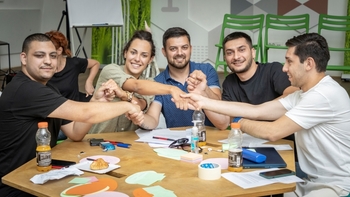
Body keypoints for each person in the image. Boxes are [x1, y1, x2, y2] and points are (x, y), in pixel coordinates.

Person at [182, 33, 350, 197]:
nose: (284, 68)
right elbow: (257, 111)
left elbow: (272, 131)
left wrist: (237, 122)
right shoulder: (302, 94)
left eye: (289, 62)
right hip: (308, 180)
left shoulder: (323, 95)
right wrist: (202, 100)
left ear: (308, 64)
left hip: (335, 185)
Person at [0, 33, 142, 196]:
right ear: (24, 58)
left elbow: (76, 132)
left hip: (40, 178)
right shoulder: (25, 89)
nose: (48, 61)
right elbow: (85, 114)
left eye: (52, 56)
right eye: (40, 55)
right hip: (15, 186)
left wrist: (97, 101)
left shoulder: (50, 89)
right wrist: (126, 105)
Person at [89, 30, 187, 133]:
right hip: (96, 140)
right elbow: (136, 86)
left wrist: (125, 96)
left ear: (150, 59)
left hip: (128, 145)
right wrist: (171, 89)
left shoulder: (150, 83)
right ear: (125, 53)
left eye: (144, 55)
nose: (137, 59)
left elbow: (141, 105)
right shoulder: (110, 70)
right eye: (133, 52)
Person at [205, 31, 299, 130]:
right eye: (230, 53)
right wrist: (203, 92)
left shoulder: (273, 70)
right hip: (249, 140)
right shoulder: (229, 82)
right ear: (225, 58)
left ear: (253, 52)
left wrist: (256, 111)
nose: (236, 57)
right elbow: (225, 121)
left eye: (241, 50)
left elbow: (293, 97)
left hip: (282, 139)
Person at [134, 27, 221, 130]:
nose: (180, 53)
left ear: (190, 49)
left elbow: (220, 108)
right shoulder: (158, 82)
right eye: (173, 49)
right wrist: (139, 117)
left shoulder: (206, 70)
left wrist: (204, 90)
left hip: (211, 140)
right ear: (164, 52)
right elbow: (152, 119)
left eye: (184, 47)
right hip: (178, 143)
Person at [45, 30, 100, 140]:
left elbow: (95, 63)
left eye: (49, 51)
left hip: (73, 117)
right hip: (55, 118)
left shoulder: (73, 64)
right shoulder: (44, 70)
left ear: (59, 50)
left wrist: (89, 82)